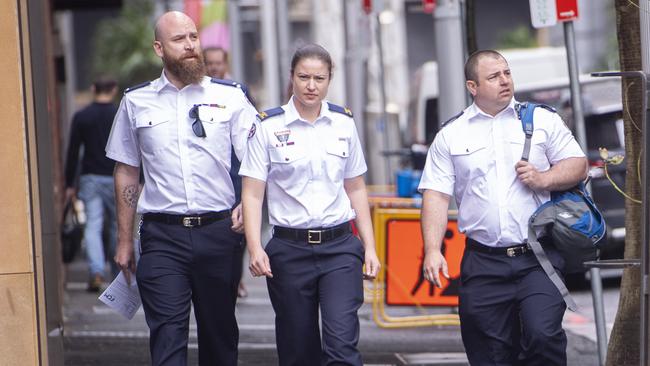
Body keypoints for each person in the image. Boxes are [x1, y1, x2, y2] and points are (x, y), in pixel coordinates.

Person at [105, 11, 257, 366]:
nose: (190, 46)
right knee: (167, 339)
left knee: (220, 339)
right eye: (179, 40)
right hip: (162, 237)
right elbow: (127, 171)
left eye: (193, 37)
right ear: (159, 48)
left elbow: (257, 160)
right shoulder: (136, 101)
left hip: (219, 234)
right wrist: (125, 240)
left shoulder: (231, 97)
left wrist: (246, 207)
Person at [418, 50, 588, 366]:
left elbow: (578, 165)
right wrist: (432, 249)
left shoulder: (542, 120)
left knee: (543, 336)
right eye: (494, 76)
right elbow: (436, 195)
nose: (504, 80)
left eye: (506, 73)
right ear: (473, 86)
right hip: (483, 263)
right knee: (489, 354)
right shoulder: (451, 134)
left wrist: (544, 178)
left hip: (537, 258)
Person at [240, 43, 380, 366]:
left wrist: (369, 248)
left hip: (340, 248)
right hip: (289, 251)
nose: (311, 85)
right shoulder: (268, 126)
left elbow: (356, 187)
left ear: (330, 78)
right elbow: (252, 193)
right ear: (292, 77)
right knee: (298, 350)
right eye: (304, 77)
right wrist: (255, 247)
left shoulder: (344, 124)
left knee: (342, 344)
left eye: (319, 78)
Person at [64, 77, 119, 292]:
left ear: (93, 89)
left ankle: (96, 271)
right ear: (114, 90)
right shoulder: (118, 115)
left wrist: (70, 183)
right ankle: (119, 273)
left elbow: (73, 150)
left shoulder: (81, 116)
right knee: (117, 225)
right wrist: (140, 179)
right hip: (117, 177)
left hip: (90, 178)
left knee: (93, 225)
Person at [203, 46, 248, 298]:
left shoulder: (238, 92)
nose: (214, 68)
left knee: (239, 231)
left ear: (225, 63)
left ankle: (236, 278)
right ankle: (226, 279)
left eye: (218, 63)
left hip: (237, 175)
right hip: (214, 177)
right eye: (209, 63)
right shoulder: (195, 93)